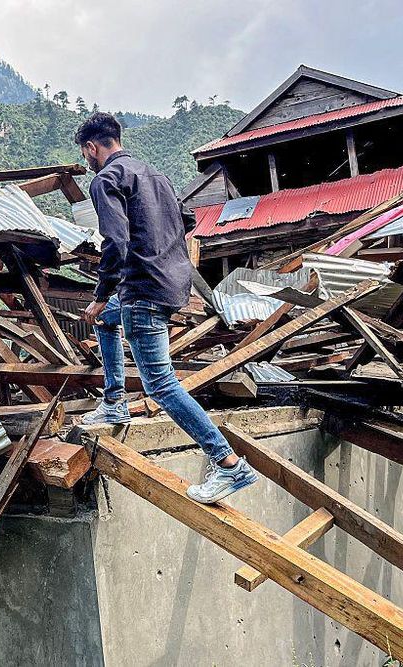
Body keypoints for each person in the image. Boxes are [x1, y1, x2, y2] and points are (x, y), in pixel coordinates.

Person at [74, 112, 257, 504]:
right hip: (173, 282)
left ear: (92, 148)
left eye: (86, 153)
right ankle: (114, 403)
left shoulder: (105, 179)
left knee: (160, 384)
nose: (88, 159)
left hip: (142, 289)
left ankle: (228, 464)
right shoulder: (154, 174)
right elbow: (187, 218)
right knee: (108, 321)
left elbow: (116, 243)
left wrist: (100, 293)